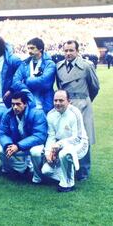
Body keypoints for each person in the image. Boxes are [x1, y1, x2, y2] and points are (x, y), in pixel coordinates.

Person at [56, 40, 100, 180]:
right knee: (67, 135)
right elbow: (60, 87)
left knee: (84, 136)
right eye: (66, 51)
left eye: (71, 50)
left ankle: (84, 171)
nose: (68, 53)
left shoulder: (86, 66)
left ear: (77, 51)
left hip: (82, 105)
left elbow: (95, 87)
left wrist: (85, 101)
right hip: (66, 105)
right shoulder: (59, 66)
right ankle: (68, 167)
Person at [41, 90, 89, 192]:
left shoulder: (75, 113)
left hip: (80, 144)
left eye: (61, 100)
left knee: (65, 153)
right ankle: (65, 176)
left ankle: (68, 184)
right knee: (45, 170)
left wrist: (58, 145)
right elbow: (51, 136)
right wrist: (48, 153)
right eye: (55, 100)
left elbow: (78, 137)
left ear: (68, 101)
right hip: (60, 146)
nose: (57, 103)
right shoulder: (50, 115)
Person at [0, 91, 47, 183]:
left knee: (36, 152)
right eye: (13, 104)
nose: (15, 107)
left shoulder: (38, 113)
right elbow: (3, 133)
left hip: (32, 144)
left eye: (18, 104)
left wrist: (18, 146)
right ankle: (23, 168)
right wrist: (8, 145)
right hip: (16, 144)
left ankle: (37, 176)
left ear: (26, 104)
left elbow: (40, 136)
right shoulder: (7, 114)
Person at [12, 37, 56, 114]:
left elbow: (44, 82)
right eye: (28, 48)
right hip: (28, 104)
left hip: (45, 104)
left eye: (32, 48)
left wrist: (27, 81)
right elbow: (15, 81)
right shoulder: (25, 64)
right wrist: (26, 90)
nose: (29, 51)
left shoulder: (49, 64)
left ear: (40, 49)